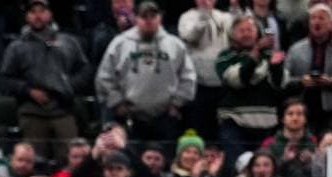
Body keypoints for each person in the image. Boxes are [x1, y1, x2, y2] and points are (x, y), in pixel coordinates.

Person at [0, 0, 91, 167]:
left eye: (42, 11)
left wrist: (68, 85)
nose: (37, 16)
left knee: (73, 161)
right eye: (33, 12)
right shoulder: (17, 47)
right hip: (32, 111)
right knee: (33, 162)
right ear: (27, 17)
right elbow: (5, 79)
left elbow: (85, 71)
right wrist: (28, 90)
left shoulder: (68, 42)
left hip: (63, 109)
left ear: (50, 14)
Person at [95, 1, 197, 147]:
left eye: (153, 16)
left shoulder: (175, 45)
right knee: (129, 163)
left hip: (165, 116)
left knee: (163, 159)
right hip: (128, 116)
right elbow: (104, 77)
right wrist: (117, 103)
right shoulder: (120, 43)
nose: (148, 20)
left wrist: (177, 104)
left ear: (160, 18)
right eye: (144, 16)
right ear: (136, 18)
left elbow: (188, 78)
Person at [215, 13, 288, 166]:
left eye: (250, 29)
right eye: (241, 30)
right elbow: (237, 80)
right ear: (232, 34)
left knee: (265, 168)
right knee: (237, 168)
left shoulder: (269, 55)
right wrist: (255, 54)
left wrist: (276, 67)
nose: (246, 34)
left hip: (266, 124)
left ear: (258, 32)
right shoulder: (225, 57)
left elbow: (280, 85)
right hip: (235, 123)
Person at [179, 0, 235, 139]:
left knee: (222, 129)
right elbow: (190, 36)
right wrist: (204, 17)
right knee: (199, 128)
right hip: (198, 85)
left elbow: (236, 37)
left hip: (223, 84)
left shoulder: (226, 17)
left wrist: (235, 10)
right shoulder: (187, 17)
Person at [284, 3, 332, 132]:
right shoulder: (295, 49)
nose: (317, 22)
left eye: (321, 18)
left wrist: (330, 82)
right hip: (302, 110)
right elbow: (284, 80)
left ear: (330, 24)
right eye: (313, 18)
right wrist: (300, 82)